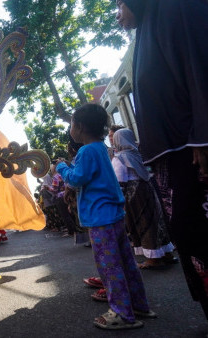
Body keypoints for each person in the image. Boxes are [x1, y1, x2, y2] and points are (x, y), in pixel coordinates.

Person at [116, 0, 208, 318]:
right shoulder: (149, 29)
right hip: (172, 156)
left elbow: (200, 69)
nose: (118, 14)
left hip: (192, 153)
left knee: (196, 230)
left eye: (119, 4)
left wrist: (202, 139)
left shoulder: (176, 8)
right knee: (188, 234)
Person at [56, 104, 154, 330]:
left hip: (101, 218)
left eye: (71, 124)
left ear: (79, 127)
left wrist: (61, 168)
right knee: (127, 263)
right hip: (114, 215)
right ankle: (138, 305)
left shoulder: (86, 151)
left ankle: (122, 314)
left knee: (110, 267)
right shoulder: (101, 147)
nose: (71, 128)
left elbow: (77, 179)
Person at [112, 129, 176, 268]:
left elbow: (119, 180)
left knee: (143, 223)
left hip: (134, 194)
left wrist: (120, 201)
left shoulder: (120, 158)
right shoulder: (139, 154)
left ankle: (153, 260)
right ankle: (167, 254)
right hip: (148, 188)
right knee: (156, 221)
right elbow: (149, 172)